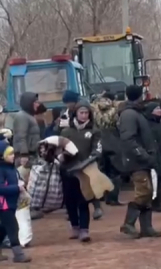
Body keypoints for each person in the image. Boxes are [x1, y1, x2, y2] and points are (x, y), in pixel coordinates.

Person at [118, 85, 161, 239]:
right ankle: (128, 223)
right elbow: (128, 139)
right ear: (140, 95)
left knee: (148, 193)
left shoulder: (137, 112)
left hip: (142, 160)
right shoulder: (129, 114)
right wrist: (143, 155)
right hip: (136, 161)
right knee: (143, 192)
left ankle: (147, 227)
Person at [59, 101, 101, 242]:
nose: (84, 115)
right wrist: (61, 156)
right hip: (68, 171)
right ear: (75, 114)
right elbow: (58, 148)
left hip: (85, 171)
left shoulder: (94, 131)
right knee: (70, 201)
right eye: (81, 113)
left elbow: (97, 151)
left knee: (83, 200)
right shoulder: (66, 132)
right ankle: (74, 226)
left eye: (86, 113)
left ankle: (84, 229)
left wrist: (86, 163)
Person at [12, 92, 42, 220]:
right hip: (25, 156)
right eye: (35, 102)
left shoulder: (29, 116)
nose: (37, 104)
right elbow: (20, 136)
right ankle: (23, 210)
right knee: (23, 184)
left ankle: (29, 209)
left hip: (32, 154)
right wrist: (23, 154)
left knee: (31, 182)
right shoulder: (22, 117)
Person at [0, 140, 32, 263]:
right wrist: (17, 188)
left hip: (11, 203)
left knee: (3, 228)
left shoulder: (11, 168)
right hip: (4, 204)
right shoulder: (1, 169)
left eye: (13, 153)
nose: (13, 156)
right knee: (13, 227)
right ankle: (18, 254)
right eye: (9, 154)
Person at [91, 91, 124, 206]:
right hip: (113, 139)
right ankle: (113, 198)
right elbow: (119, 125)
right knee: (115, 170)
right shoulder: (116, 110)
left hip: (99, 139)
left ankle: (101, 196)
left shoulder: (94, 109)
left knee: (101, 169)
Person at [144, 102, 161, 213]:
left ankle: (157, 203)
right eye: (157, 109)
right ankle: (156, 204)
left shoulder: (159, 122)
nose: (160, 110)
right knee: (156, 181)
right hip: (156, 157)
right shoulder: (149, 125)